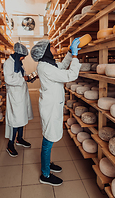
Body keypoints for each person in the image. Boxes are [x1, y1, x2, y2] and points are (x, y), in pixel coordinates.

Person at [30, 38, 81, 186]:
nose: (55, 47)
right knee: (48, 140)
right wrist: (76, 56)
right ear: (45, 51)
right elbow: (71, 75)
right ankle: (45, 174)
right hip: (50, 107)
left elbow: (63, 66)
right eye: (52, 46)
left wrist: (71, 53)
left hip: (52, 105)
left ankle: (47, 164)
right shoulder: (46, 68)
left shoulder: (48, 64)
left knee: (50, 136)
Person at [4, 42, 33, 157]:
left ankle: (19, 139)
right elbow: (9, 80)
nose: (23, 59)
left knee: (22, 117)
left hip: (22, 95)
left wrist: (28, 78)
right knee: (15, 120)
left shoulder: (18, 63)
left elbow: (22, 75)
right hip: (15, 96)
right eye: (22, 56)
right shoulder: (8, 64)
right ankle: (10, 144)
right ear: (17, 54)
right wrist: (23, 79)